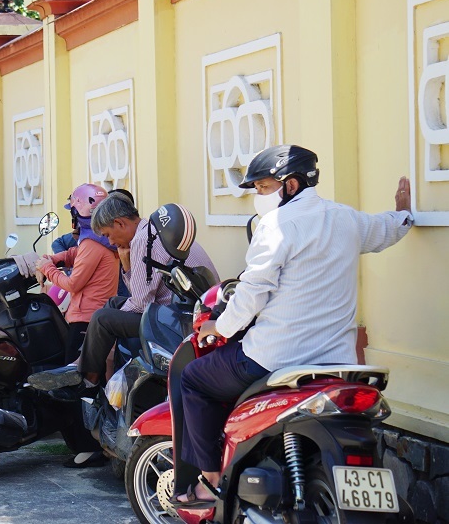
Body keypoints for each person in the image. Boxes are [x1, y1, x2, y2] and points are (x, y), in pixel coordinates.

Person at [172, 145, 413, 506]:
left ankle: (210, 480)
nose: (258, 197)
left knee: (194, 379)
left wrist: (219, 328)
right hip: (336, 362)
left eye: (264, 188)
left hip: (273, 358)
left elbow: (252, 293)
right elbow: (385, 230)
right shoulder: (345, 218)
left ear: (292, 185)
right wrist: (405, 214)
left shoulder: (275, 226)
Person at [28, 193, 217, 395]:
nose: (110, 241)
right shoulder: (152, 230)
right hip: (184, 309)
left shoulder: (143, 240)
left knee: (102, 318)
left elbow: (140, 304)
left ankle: (87, 380)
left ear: (120, 223)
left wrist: (112, 318)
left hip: (179, 320)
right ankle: (80, 365)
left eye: (108, 234)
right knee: (113, 304)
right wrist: (125, 266)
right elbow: (142, 293)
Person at [36, 184, 119, 363]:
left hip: (85, 319)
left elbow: (73, 284)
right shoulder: (102, 239)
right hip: (96, 314)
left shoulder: (93, 244)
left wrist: (47, 269)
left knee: (75, 377)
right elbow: (77, 253)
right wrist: (55, 258)